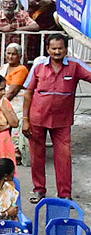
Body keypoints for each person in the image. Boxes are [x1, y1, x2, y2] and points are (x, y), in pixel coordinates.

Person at [22, 35, 91, 201]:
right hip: (37, 118)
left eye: (60, 48)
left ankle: (64, 195)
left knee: (64, 158)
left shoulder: (75, 65)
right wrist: (25, 119)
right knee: (37, 156)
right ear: (48, 50)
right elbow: (28, 93)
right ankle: (39, 190)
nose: (57, 51)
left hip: (62, 121)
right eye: (54, 48)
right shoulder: (38, 66)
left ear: (66, 49)